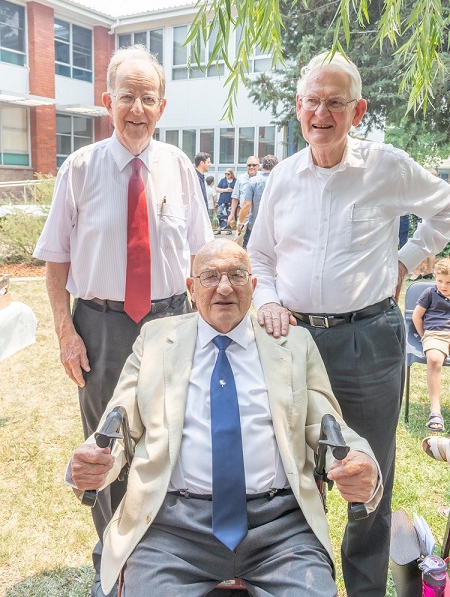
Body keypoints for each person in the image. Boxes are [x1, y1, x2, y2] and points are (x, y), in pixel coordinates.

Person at [69, 240, 381, 597]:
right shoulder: (155, 340)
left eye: (237, 275)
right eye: (210, 276)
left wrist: (361, 461)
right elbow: (118, 421)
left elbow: (328, 423)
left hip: (280, 528)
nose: (224, 287)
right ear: (190, 288)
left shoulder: (293, 344)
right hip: (172, 526)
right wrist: (92, 463)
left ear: (254, 286)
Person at [247, 51, 450, 597]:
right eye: (312, 101)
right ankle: (296, 580)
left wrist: (407, 260)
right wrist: (266, 299)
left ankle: (364, 591)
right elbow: (259, 256)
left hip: (369, 340)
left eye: (335, 102)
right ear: (298, 108)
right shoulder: (282, 178)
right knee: (292, 471)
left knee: (368, 478)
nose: (321, 113)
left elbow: (445, 207)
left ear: (356, 110)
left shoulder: (387, 165)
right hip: (294, 343)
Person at [33, 45, 213, 597]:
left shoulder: (179, 166)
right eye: (127, 96)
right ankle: (111, 557)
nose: (137, 107)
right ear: (108, 102)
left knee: (169, 441)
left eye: (148, 98)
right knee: (106, 444)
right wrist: (66, 332)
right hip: (102, 327)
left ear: (162, 107)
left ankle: (163, 554)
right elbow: (57, 261)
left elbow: (203, 256)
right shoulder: (80, 168)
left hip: (172, 323)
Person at [412, 257, 450, 432]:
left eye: (449, 282)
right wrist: (424, 336)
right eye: (440, 281)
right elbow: (416, 316)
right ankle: (435, 411)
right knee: (434, 359)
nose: (443, 285)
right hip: (435, 334)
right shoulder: (430, 293)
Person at [237, 154, 278, 249]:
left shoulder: (253, 181)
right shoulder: (280, 181)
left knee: (249, 255)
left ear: (262, 165)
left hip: (255, 225)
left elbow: (247, 204)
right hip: (274, 226)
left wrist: (240, 222)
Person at [227, 156, 260, 230]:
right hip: (244, 213)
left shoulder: (262, 178)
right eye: (249, 165)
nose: (251, 167)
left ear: (258, 166)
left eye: (254, 165)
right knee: (239, 237)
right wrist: (232, 214)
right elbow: (235, 197)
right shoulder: (241, 178)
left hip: (259, 214)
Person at [215, 168, 236, 235]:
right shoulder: (223, 180)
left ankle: (229, 229)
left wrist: (232, 190)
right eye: (225, 174)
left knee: (230, 215)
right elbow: (217, 189)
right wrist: (225, 190)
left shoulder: (235, 181)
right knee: (220, 214)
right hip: (222, 200)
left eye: (228, 174)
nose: (227, 175)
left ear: (231, 174)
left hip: (231, 200)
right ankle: (219, 229)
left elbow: (238, 190)